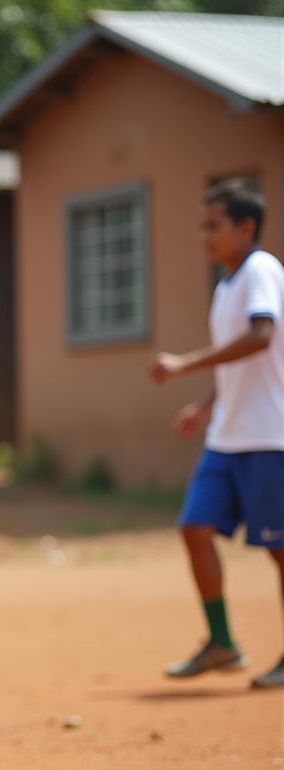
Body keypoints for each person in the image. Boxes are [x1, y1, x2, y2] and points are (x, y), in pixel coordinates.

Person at [150, 179, 284, 688]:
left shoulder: (261, 271)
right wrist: (206, 404)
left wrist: (185, 365)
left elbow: (262, 336)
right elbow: (244, 365)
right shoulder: (226, 285)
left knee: (280, 549)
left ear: (246, 227)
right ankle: (223, 643)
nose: (204, 236)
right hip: (227, 437)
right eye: (203, 225)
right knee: (194, 528)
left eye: (214, 226)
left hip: (269, 437)